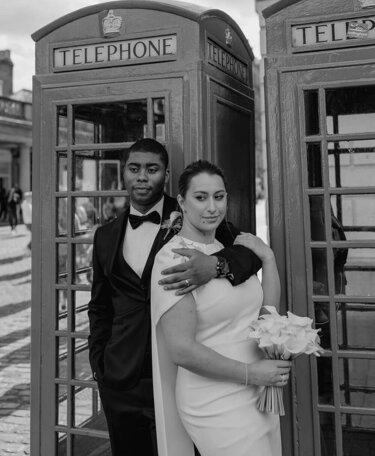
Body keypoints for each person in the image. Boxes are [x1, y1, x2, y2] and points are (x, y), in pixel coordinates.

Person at [88, 139, 261, 456]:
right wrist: (100, 364)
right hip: (121, 376)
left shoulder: (191, 210)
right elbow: (100, 305)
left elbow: (250, 254)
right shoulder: (106, 234)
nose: (142, 177)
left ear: (165, 175)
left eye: (151, 169)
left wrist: (215, 265)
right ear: (123, 173)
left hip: (179, 372)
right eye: (134, 169)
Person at [151, 160, 292, 456]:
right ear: (182, 202)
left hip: (258, 390)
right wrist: (252, 373)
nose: (212, 207)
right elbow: (181, 350)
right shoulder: (174, 260)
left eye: (219, 196)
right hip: (214, 399)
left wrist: (268, 258)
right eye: (200, 197)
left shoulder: (224, 252)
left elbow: (265, 314)